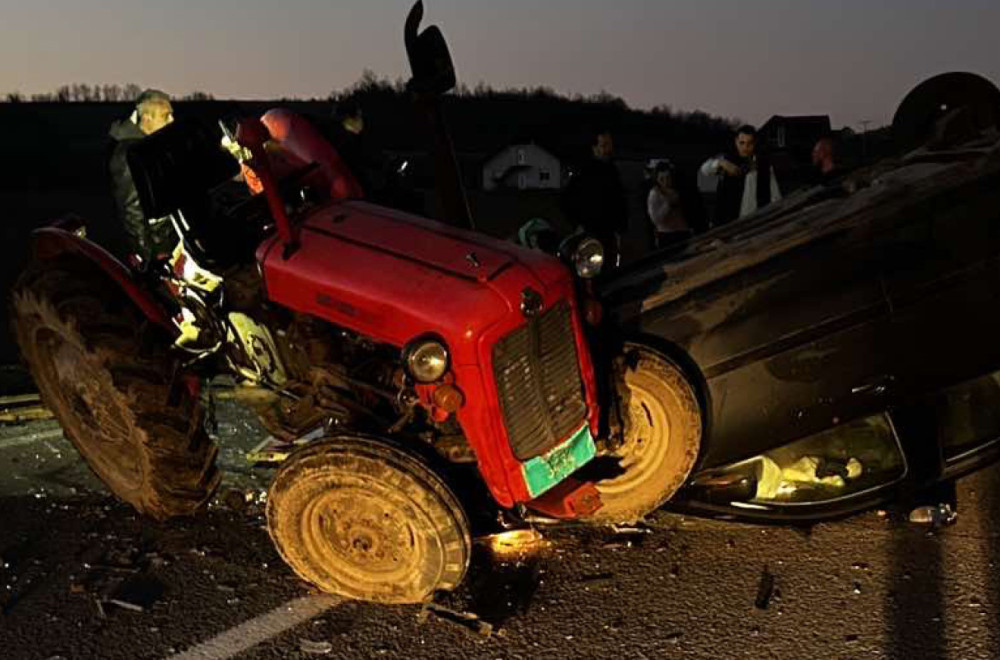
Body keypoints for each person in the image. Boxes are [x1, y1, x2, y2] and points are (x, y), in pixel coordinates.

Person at [106, 89, 175, 266]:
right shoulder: (129, 156)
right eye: (165, 116)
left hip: (171, 245)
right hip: (159, 253)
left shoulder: (153, 146)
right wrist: (150, 257)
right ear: (146, 119)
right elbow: (132, 213)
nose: (172, 121)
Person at [561, 128, 628, 269]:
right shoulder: (585, 172)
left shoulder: (612, 170)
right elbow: (566, 200)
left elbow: (619, 200)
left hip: (610, 232)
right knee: (595, 271)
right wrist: (577, 224)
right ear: (594, 148)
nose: (608, 149)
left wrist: (621, 226)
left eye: (609, 145)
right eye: (604, 145)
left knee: (612, 268)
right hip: (591, 233)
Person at [700, 125, 782, 227]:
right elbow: (705, 170)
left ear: (755, 143)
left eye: (749, 143)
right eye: (742, 143)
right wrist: (721, 163)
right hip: (727, 225)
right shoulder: (727, 159)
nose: (745, 147)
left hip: (754, 225)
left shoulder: (764, 166)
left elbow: (776, 198)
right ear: (736, 142)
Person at [646, 161, 691, 250]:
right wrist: (668, 204)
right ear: (657, 179)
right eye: (662, 179)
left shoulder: (679, 190)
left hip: (682, 232)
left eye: (668, 178)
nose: (665, 182)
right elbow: (656, 219)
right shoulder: (655, 194)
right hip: (666, 234)